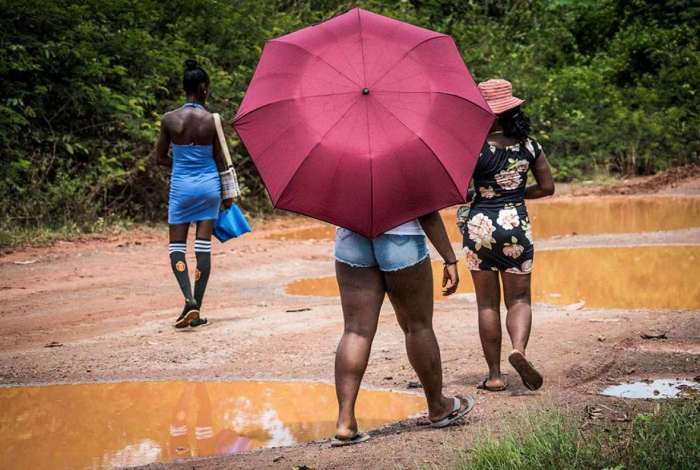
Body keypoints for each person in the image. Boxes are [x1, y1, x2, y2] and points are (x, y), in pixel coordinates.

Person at [332, 215, 475, 446]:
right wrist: (450, 259)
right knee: (417, 327)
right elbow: (428, 214)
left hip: (350, 238)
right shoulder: (409, 175)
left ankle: (345, 422)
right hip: (402, 238)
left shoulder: (339, 175)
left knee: (355, 331)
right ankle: (438, 407)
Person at [462, 79, 555, 392]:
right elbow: (547, 188)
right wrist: (515, 193)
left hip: (479, 228)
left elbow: (459, 190)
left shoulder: (472, 144)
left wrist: (481, 192)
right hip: (515, 224)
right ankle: (519, 350)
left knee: (486, 304)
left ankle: (495, 376)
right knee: (518, 299)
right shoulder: (529, 145)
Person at [154, 59, 233, 328]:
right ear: (204, 89)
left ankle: (188, 300)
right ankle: (196, 308)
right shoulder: (213, 120)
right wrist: (228, 194)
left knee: (177, 247)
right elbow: (222, 160)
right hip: (209, 187)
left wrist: (182, 163)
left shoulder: (169, 119)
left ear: (184, 88)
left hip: (181, 187)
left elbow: (159, 158)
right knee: (202, 246)